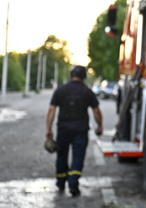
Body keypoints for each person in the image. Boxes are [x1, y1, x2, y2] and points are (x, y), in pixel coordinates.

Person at [46, 65, 102, 196]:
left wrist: (48, 129)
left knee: (61, 155)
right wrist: (100, 126)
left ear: (71, 75)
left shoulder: (61, 90)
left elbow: (51, 110)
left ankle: (60, 182)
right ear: (83, 76)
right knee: (78, 155)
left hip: (63, 129)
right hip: (80, 130)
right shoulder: (87, 92)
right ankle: (73, 182)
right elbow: (96, 110)